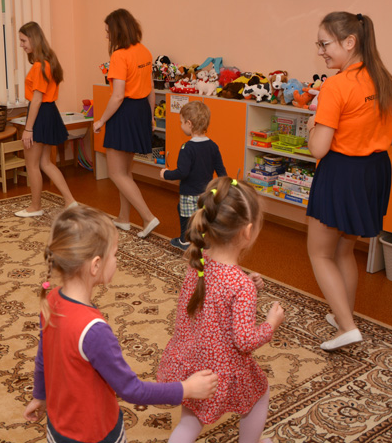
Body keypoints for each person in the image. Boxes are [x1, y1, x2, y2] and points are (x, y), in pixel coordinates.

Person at [24, 206, 219, 443]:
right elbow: (131, 390)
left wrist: (39, 395)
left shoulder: (51, 300)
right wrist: (186, 388)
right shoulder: (94, 330)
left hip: (57, 429)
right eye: (115, 254)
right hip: (98, 435)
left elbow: (42, 358)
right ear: (95, 265)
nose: (117, 261)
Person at [157, 177, 284, 443]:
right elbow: (245, 340)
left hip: (192, 359)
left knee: (190, 420)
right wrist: (271, 324)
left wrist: (247, 285)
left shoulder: (198, 261)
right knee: (259, 395)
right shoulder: (239, 285)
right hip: (222, 368)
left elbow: (213, 298)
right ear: (248, 231)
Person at [306, 12, 392, 351]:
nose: (320, 51)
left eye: (325, 44)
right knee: (344, 249)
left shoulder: (336, 85)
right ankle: (343, 316)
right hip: (374, 171)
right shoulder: (386, 79)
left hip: (342, 173)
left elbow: (319, 148)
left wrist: (311, 129)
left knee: (319, 253)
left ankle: (347, 327)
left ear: (350, 42)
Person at [93, 9, 160, 238]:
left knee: (115, 172)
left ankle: (148, 217)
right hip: (141, 111)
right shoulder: (144, 51)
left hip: (124, 112)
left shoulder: (119, 56)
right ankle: (124, 218)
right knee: (125, 172)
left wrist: (101, 120)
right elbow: (151, 89)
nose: (107, 36)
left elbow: (118, 95)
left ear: (117, 31)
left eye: (108, 31)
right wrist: (151, 117)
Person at [15, 22, 77, 217]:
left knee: (32, 164)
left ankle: (35, 207)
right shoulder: (49, 62)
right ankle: (70, 201)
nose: (21, 45)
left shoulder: (40, 66)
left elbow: (36, 100)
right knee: (46, 163)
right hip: (49, 112)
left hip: (41, 113)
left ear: (33, 39)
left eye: (23, 40)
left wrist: (28, 129)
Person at [160, 101, 227, 250]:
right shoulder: (213, 146)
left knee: (185, 216)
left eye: (181, 122)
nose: (181, 125)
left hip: (189, 192)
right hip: (206, 194)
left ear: (189, 123)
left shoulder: (187, 148)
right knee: (202, 217)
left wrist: (166, 174)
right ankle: (204, 241)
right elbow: (222, 172)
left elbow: (182, 172)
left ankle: (185, 241)